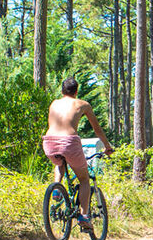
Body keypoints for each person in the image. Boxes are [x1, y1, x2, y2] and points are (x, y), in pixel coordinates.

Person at [42, 76, 115, 230]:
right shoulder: (83, 104)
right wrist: (107, 147)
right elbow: (97, 129)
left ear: (62, 91)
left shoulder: (54, 103)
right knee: (84, 180)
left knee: (59, 161)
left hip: (49, 142)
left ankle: (56, 188)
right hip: (69, 142)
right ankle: (84, 216)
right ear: (76, 91)